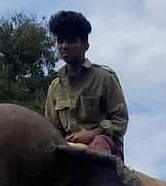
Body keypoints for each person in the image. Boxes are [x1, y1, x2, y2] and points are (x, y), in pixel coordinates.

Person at [45, 11, 128, 159]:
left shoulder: (104, 78)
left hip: (104, 149)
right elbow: (52, 130)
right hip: (69, 150)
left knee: (99, 145)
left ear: (85, 45)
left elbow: (120, 122)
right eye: (60, 41)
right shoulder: (55, 87)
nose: (64, 46)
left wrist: (92, 134)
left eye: (70, 41)